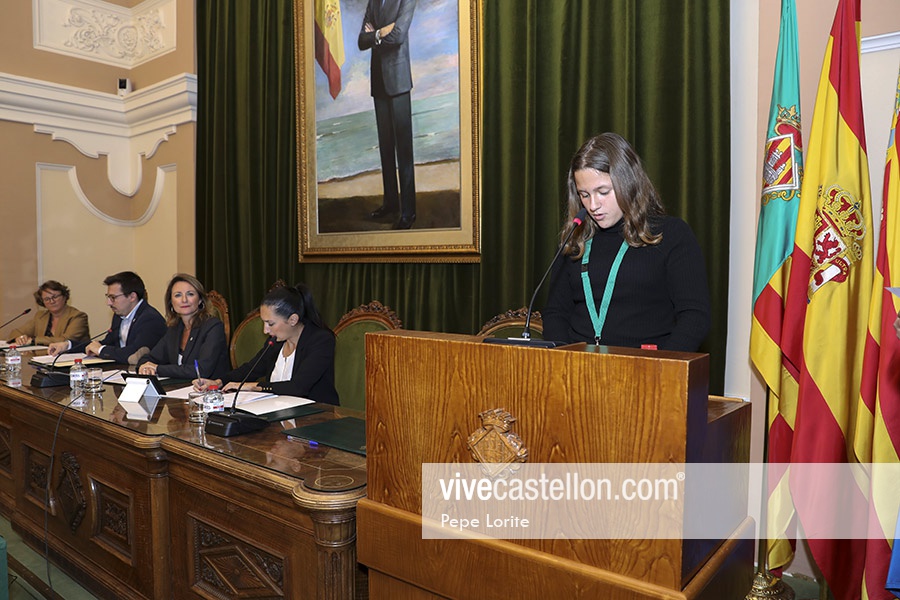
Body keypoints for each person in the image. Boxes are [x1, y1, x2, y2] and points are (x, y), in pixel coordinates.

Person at [542, 132, 710, 352]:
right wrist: (566, 361)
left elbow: (695, 317)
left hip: (647, 366)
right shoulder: (574, 239)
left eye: (603, 192)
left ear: (628, 183)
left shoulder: (672, 235)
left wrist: (663, 365)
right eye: (584, 194)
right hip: (579, 367)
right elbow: (555, 313)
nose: (593, 205)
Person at [193, 283, 339, 405]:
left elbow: (298, 387)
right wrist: (218, 382)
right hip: (277, 411)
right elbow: (251, 369)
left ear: (293, 320)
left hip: (315, 417)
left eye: (270, 323)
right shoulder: (276, 341)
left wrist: (252, 387)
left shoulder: (321, 340)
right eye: (264, 323)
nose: (265, 330)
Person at [358, 0, 418, 230]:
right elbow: (361, 41)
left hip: (399, 82)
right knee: (385, 149)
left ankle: (408, 212)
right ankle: (391, 203)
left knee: (404, 151)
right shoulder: (373, 1)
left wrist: (375, 35)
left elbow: (399, 35)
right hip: (379, 84)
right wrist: (381, 33)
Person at [48, 271, 167, 364]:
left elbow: (135, 353)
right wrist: (68, 345)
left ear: (132, 297)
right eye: (108, 297)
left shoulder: (150, 319)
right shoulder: (119, 314)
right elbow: (107, 343)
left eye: (113, 298)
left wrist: (101, 350)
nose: (108, 303)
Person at [136, 274, 229, 380]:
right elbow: (149, 358)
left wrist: (158, 369)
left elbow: (201, 370)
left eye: (190, 294)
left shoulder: (213, 326)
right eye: (178, 295)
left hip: (210, 388)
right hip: (180, 387)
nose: (184, 300)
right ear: (171, 303)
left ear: (200, 300)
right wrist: (145, 366)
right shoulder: (174, 329)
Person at [9, 280, 90, 346]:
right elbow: (16, 332)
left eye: (55, 297)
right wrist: (20, 338)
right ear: (42, 302)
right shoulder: (40, 316)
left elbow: (65, 341)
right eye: (47, 299)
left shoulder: (78, 316)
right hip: (44, 358)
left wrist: (34, 340)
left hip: (71, 358)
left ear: (64, 296)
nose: (52, 301)